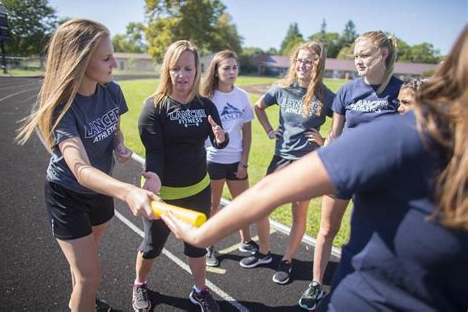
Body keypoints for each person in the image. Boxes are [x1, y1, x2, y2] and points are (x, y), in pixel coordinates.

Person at [162, 26, 468, 312]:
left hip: (363, 297)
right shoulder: (398, 134)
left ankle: (290, 263)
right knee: (326, 230)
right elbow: (280, 176)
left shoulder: (399, 135)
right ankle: (306, 276)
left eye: (364, 55)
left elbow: (269, 192)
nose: (402, 108)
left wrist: (200, 236)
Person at [16, 19, 158, 312]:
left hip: (99, 190)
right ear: (80, 61)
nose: (115, 63)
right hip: (67, 194)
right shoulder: (63, 107)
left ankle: (83, 297)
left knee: (85, 269)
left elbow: (114, 127)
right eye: (107, 58)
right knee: (90, 275)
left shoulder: (111, 91)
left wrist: (118, 144)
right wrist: (127, 191)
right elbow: (79, 169)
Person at [297, 31, 403, 310]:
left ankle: (374, 286)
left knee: (376, 234)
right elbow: (335, 134)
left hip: (379, 179)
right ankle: (317, 283)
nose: (358, 60)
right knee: (327, 229)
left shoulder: (399, 91)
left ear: (383, 54)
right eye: (356, 55)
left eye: (364, 55)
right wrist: (326, 153)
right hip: (345, 172)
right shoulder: (347, 91)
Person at [133, 40, 227, 312]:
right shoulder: (154, 107)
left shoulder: (206, 105)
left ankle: (200, 291)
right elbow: (155, 151)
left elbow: (217, 139)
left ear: (197, 70)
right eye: (176, 68)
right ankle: (140, 284)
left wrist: (222, 138)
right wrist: (153, 180)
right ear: (167, 70)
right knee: (152, 246)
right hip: (164, 193)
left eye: (188, 68)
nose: (182, 75)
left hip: (199, 188)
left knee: (198, 245)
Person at [247, 41, 335, 285]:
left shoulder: (325, 95)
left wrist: (325, 139)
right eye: (299, 60)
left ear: (318, 64)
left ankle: (287, 260)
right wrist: (268, 129)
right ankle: (264, 253)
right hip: (282, 157)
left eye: (309, 61)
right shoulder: (281, 89)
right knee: (260, 205)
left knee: (299, 212)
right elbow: (259, 106)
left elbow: (346, 117)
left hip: (307, 162)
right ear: (294, 62)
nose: (303, 65)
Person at [201, 50, 260, 267]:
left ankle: (246, 241)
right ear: (216, 71)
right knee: (212, 206)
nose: (231, 71)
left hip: (236, 160)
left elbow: (247, 132)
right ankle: (208, 246)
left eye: (234, 67)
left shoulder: (242, 96)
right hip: (213, 160)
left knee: (243, 204)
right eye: (226, 67)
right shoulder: (207, 97)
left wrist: (244, 161)